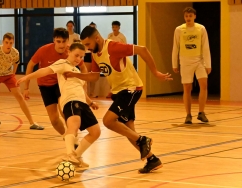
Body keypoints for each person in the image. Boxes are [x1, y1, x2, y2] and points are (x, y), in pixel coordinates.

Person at [64, 26, 172, 173]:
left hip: (131, 88)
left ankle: (143, 140)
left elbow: (143, 49)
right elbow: (94, 76)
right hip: (119, 92)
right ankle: (152, 160)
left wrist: (155, 72)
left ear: (97, 38)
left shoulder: (114, 47)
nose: (87, 49)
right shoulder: (96, 54)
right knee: (129, 130)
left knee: (108, 121)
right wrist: (75, 75)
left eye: (88, 45)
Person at [17, 43, 100, 168]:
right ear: (69, 52)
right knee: (73, 125)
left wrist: (90, 102)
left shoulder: (76, 70)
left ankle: (76, 155)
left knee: (96, 132)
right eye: (76, 55)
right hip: (71, 101)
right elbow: (44, 71)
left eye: (81, 57)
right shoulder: (63, 64)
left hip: (82, 102)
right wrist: (27, 77)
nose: (78, 59)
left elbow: (81, 89)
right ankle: (69, 154)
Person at [24, 28, 87, 147]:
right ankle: (67, 137)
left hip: (61, 84)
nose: (61, 45)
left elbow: (83, 67)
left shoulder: (71, 51)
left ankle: (73, 136)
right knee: (54, 120)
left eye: (64, 41)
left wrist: (84, 84)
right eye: (58, 41)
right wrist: (26, 87)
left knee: (65, 112)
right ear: (54, 40)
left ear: (68, 41)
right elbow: (31, 65)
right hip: (45, 86)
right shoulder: (43, 50)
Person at [172, 7, 211, 124]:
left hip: (199, 60)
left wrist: (208, 64)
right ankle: (188, 115)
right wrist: (175, 64)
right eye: (186, 16)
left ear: (194, 16)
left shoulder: (201, 28)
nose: (188, 18)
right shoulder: (179, 30)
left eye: (190, 16)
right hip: (185, 61)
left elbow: (205, 46)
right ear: (184, 17)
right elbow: (175, 47)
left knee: (203, 85)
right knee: (187, 88)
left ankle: (201, 112)